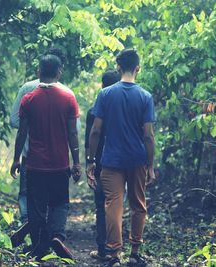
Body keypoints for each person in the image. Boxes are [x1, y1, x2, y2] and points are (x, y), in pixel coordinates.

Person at [87, 49, 156, 267]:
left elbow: (96, 131)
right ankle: (135, 254)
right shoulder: (145, 96)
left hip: (111, 160)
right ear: (138, 68)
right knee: (138, 205)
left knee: (113, 206)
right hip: (137, 159)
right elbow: (148, 135)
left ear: (118, 67)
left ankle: (113, 255)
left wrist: (90, 160)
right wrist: (151, 165)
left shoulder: (106, 95)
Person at [11, 54, 81, 260]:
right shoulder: (68, 98)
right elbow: (73, 134)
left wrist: (16, 159)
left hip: (35, 165)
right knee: (60, 203)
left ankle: (39, 247)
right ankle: (57, 235)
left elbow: (21, 133)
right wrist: (76, 162)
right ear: (59, 72)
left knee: (36, 206)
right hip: (60, 165)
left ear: (39, 72)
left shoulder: (29, 99)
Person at [85, 70, 121, 261]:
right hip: (121, 162)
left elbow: (89, 139)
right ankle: (114, 248)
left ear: (101, 86)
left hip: (100, 162)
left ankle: (102, 248)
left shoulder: (94, 111)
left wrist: (88, 163)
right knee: (116, 205)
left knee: (101, 206)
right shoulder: (123, 109)